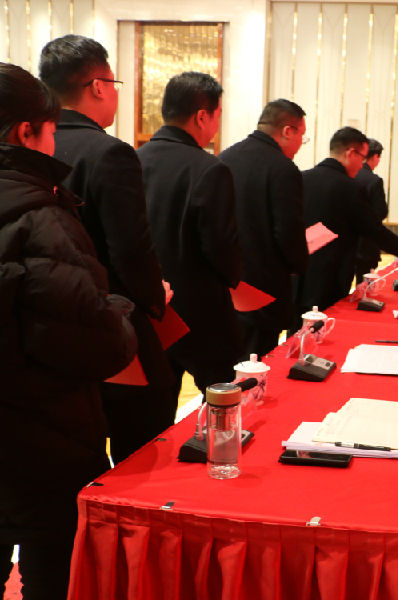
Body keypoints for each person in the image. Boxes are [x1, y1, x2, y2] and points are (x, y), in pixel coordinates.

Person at [0, 62, 137, 600]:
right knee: (54, 567)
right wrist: (118, 309)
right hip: (38, 435)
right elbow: (96, 343)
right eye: (52, 131)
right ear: (26, 132)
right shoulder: (41, 216)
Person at [39, 35, 173, 464]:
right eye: (114, 84)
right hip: (110, 319)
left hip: (47, 321)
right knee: (144, 433)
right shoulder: (109, 152)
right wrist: (156, 300)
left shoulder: (33, 147)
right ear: (98, 86)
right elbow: (131, 250)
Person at [137, 72, 242, 399]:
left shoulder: (133, 160)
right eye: (218, 115)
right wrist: (235, 277)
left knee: (154, 407)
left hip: (148, 305)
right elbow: (220, 246)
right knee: (220, 400)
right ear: (202, 116)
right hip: (201, 312)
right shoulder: (209, 169)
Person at [219, 99, 309, 356]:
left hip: (227, 284)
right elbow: (287, 232)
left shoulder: (225, 158)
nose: (301, 143)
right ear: (287, 131)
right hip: (264, 288)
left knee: (229, 360)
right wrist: (299, 264)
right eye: (302, 136)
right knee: (257, 360)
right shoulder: (283, 169)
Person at [299, 126, 398, 312]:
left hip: (298, 269)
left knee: (297, 321)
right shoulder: (349, 187)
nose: (362, 165)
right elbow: (371, 227)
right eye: (362, 158)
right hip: (330, 273)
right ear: (350, 153)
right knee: (324, 320)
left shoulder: (301, 178)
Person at [353, 137, 388, 284]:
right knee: (364, 285)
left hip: (347, 242)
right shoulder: (374, 181)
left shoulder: (349, 175)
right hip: (366, 243)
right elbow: (381, 211)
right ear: (375, 156)